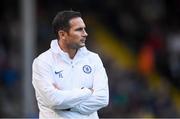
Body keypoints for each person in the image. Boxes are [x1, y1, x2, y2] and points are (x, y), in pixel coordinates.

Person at [32, 10, 109, 119]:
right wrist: (86, 92)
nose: (85, 33)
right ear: (62, 34)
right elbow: (54, 100)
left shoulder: (93, 59)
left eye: (84, 29)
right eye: (79, 30)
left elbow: (103, 98)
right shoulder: (42, 62)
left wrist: (66, 105)